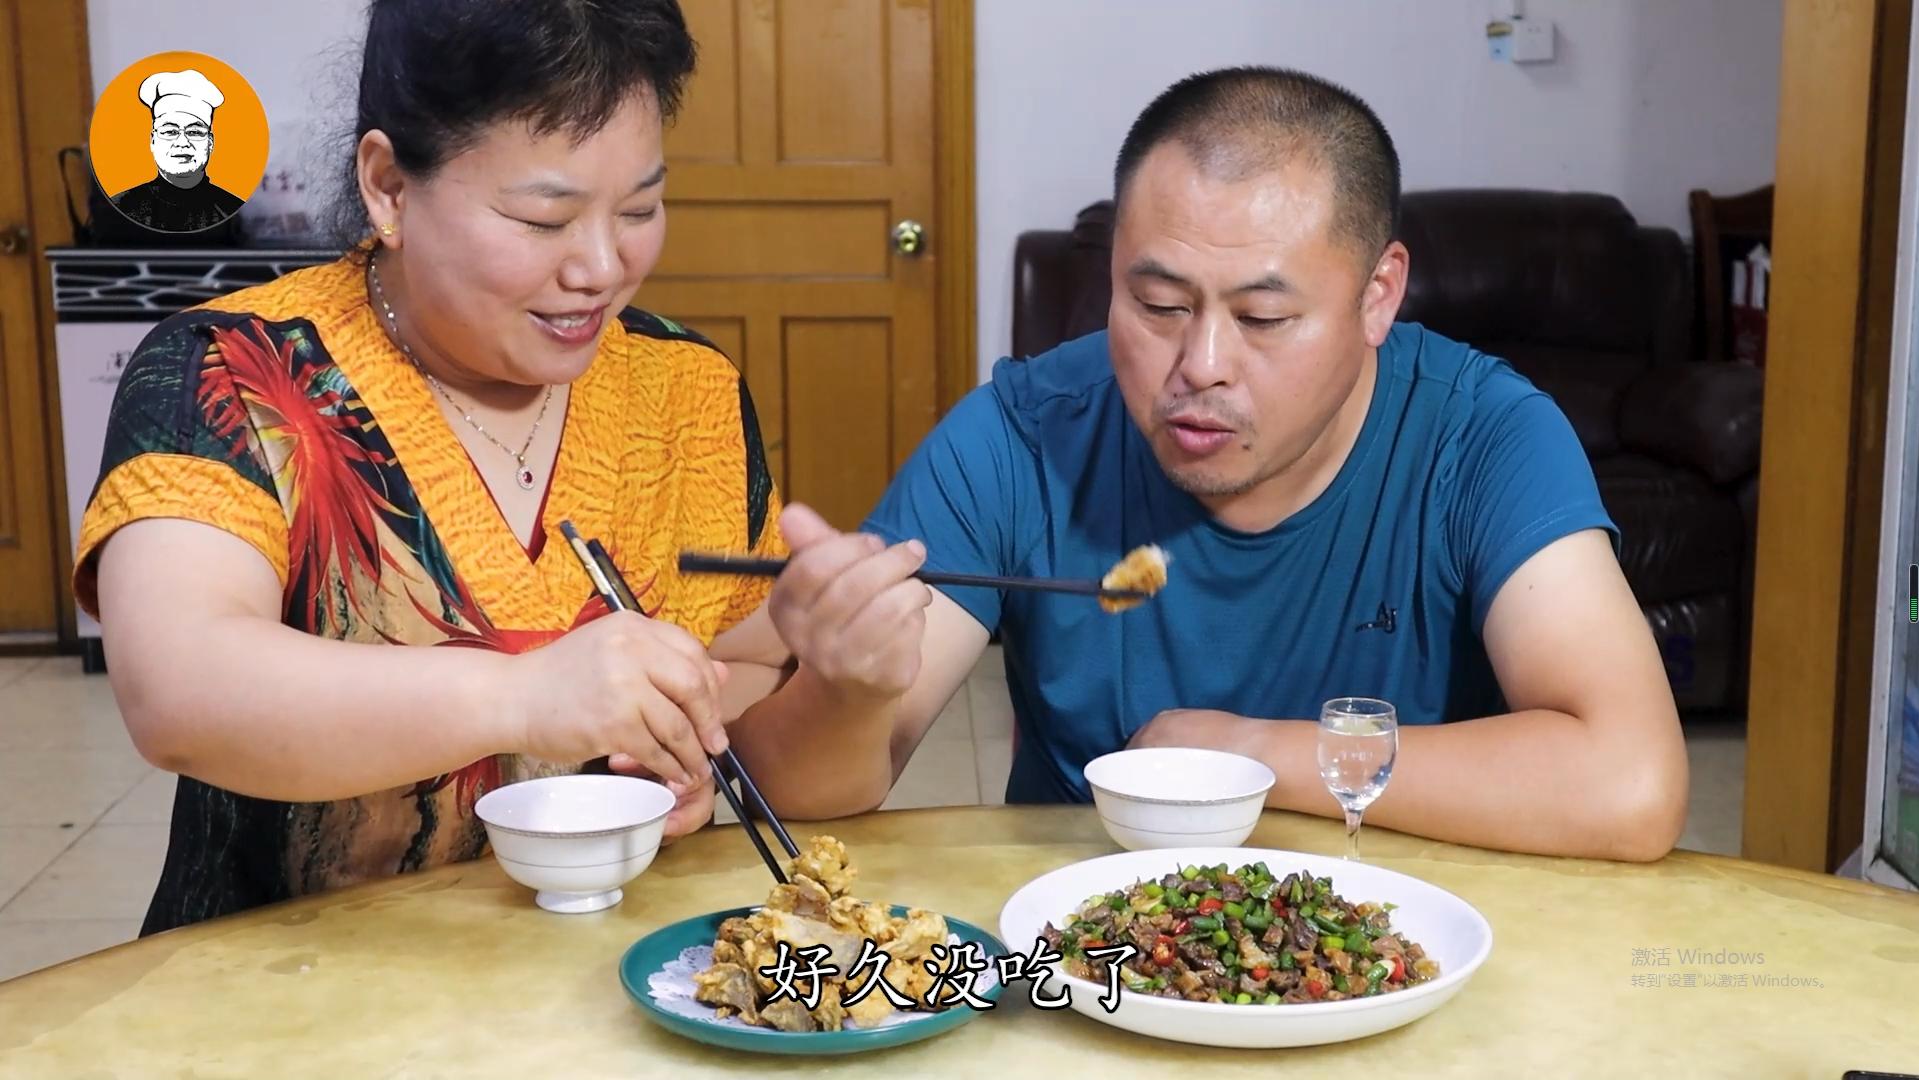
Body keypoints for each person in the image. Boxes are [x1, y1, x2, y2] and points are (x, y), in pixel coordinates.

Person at [77, 0, 919, 935]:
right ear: (390, 186)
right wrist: (526, 696)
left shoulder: (685, 389)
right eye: (541, 218)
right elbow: (180, 688)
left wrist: (795, 697)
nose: (602, 266)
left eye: (639, 208)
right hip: (289, 992)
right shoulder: (234, 374)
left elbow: (751, 696)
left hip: (601, 981)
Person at [739, 66, 1690, 863]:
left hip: (1394, 949)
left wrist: (1246, 754)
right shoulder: (1023, 436)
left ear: (1377, 295)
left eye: (1264, 320)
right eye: (1157, 304)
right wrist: (845, 691)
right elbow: (797, 799)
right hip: (1097, 961)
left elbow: (1630, 783)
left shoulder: (1481, 437)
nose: (1198, 367)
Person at [110, 68, 249, 233]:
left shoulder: (233, 210)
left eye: (194, 132)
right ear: (153, 141)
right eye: (170, 132)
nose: (182, 143)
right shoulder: (120, 208)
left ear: (210, 143)